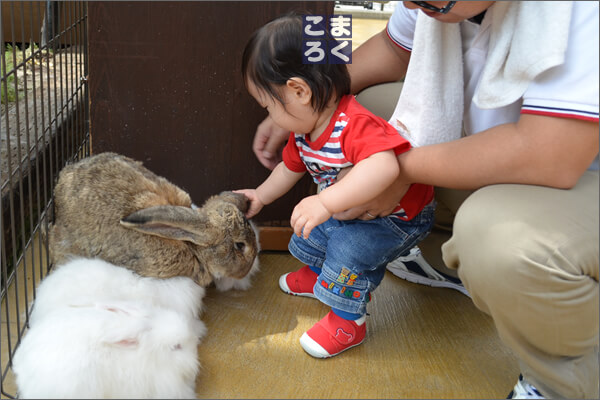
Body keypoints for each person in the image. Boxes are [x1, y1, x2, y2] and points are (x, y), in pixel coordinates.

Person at [251, 1, 599, 398]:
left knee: (501, 241)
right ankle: (439, 248)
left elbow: (551, 156)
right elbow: (390, 46)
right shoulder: (433, 6)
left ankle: (560, 382)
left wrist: (399, 168)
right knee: (353, 114)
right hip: (493, 144)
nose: (414, 4)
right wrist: (299, 105)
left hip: (575, 177)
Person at [235, 12, 435, 358]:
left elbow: (385, 165)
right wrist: (261, 196)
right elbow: (289, 167)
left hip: (397, 218)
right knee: (313, 229)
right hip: (350, 207)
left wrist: (326, 203)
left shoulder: (353, 123)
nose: (269, 115)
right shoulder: (305, 130)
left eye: (267, 105)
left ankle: (348, 320)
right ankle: (317, 276)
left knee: (348, 249)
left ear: (299, 90)